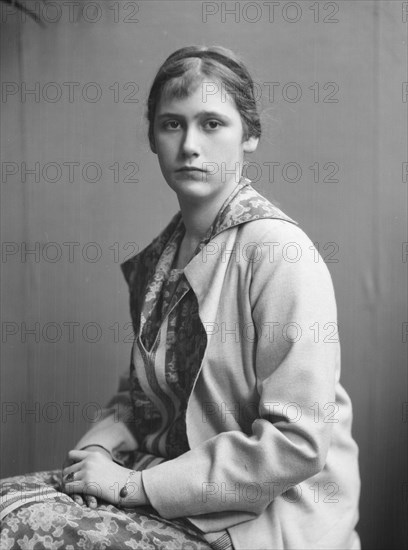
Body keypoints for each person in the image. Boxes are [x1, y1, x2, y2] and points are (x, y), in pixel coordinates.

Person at [0, 46, 361, 550]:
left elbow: (297, 444)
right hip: (176, 484)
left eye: (212, 123)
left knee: (21, 531)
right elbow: (148, 394)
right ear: (153, 136)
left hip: (266, 522)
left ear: (250, 135)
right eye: (173, 124)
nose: (190, 144)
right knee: (5, 505)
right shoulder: (166, 255)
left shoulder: (279, 253)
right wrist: (97, 452)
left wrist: (129, 485)